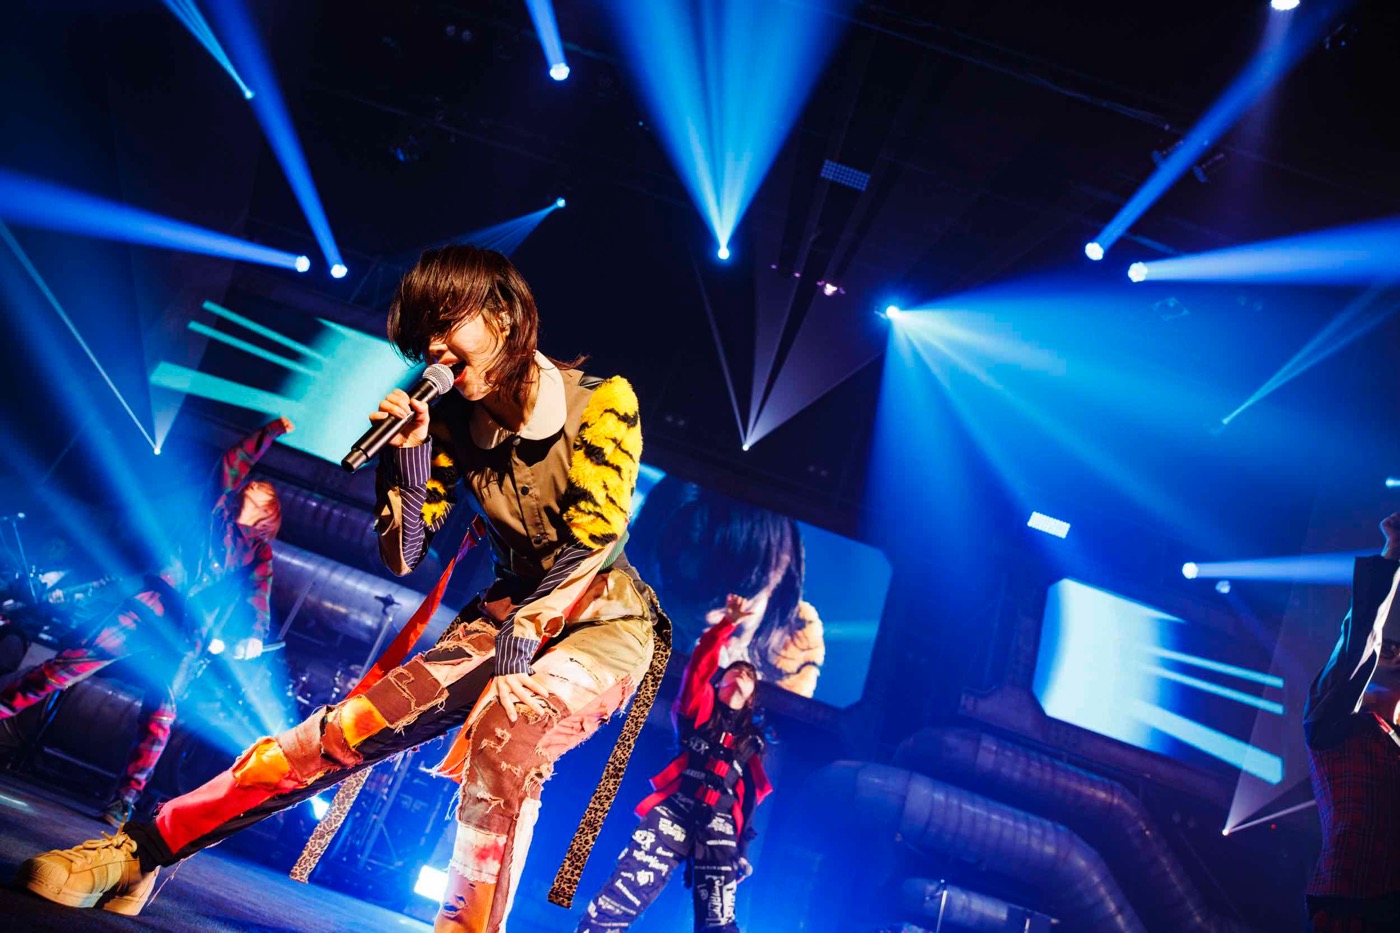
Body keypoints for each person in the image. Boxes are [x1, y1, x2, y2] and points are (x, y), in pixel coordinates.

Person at [17, 246, 669, 933]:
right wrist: (409, 455)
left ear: (503, 317)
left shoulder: (602, 403)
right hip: (503, 620)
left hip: (600, 623)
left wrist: (519, 644)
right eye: (424, 341)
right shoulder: (450, 421)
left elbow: (591, 543)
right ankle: (139, 852)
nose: (435, 351)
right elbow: (404, 553)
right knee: (335, 734)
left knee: (508, 732)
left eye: (448, 326)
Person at [0, 417, 291, 826]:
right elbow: (231, 462)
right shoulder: (215, 513)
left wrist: (253, 636)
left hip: (185, 636)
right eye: (255, 484)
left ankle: (125, 799)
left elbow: (258, 597)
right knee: (61, 670)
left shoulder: (258, 554)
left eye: (266, 492)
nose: (258, 486)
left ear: (268, 513)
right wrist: (272, 430)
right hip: (147, 610)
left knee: (160, 715)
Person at [577, 593, 771, 933]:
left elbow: (749, 802)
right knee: (618, 901)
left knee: (719, 923)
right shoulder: (700, 713)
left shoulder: (752, 744)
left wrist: (742, 852)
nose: (741, 673)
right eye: (734, 670)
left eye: (748, 674)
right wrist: (727, 624)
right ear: (719, 683)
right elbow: (699, 668)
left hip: (719, 827)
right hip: (674, 813)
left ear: (753, 695)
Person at [1303, 512, 1400, 932]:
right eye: (1389, 650)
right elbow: (1358, 643)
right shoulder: (1334, 726)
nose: (1391, 654)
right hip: (1351, 909)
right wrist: (1394, 551)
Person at [641, 481, 825, 697]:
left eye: (737, 597)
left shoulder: (791, 659)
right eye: (690, 593)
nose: (710, 618)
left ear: (776, 586)